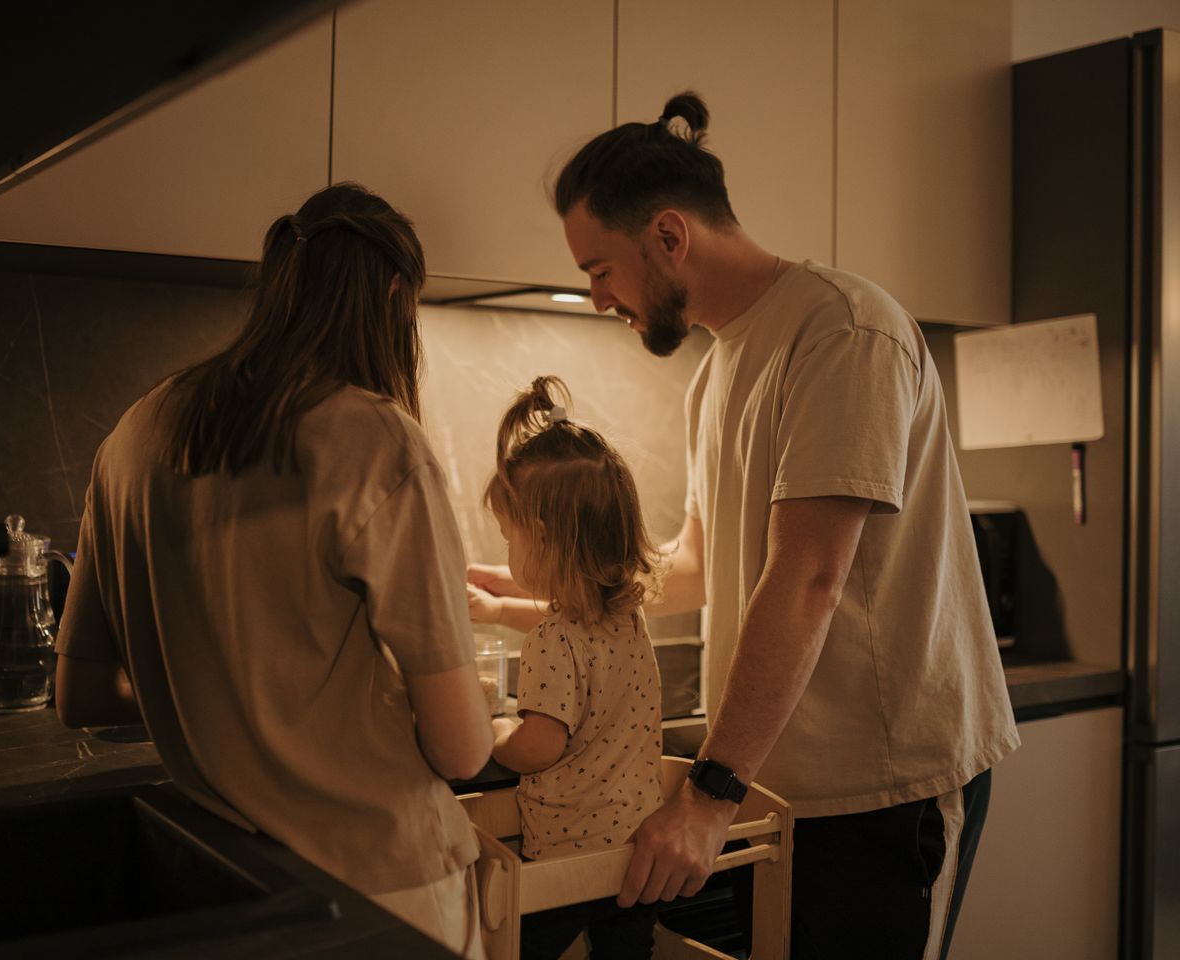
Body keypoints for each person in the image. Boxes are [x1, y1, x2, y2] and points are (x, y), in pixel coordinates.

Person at [469, 92, 1020, 960]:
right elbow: (695, 566)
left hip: (883, 785)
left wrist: (709, 794)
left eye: (601, 269)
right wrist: (543, 593)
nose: (599, 296)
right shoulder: (719, 367)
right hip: (782, 786)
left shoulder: (844, 332)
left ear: (669, 236)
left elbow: (808, 579)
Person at [54, 182, 494, 958]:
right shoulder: (375, 440)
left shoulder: (133, 435)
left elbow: (80, 694)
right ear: (396, 295)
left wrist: (226, 705)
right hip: (384, 888)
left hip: (231, 880)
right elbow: (462, 750)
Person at [479, 375, 665, 960]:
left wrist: (495, 733)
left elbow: (539, 746)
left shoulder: (550, 639)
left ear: (539, 537)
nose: (508, 550)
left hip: (567, 858)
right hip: (636, 848)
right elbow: (567, 603)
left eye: (507, 537)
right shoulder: (627, 618)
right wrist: (496, 596)